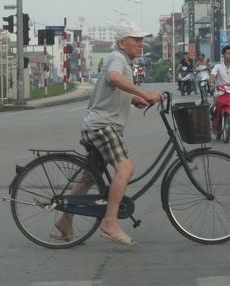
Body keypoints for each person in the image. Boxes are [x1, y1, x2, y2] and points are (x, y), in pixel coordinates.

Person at [54, 23, 163, 247]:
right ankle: (110, 222)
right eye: (136, 40)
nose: (141, 44)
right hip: (102, 126)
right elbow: (114, 78)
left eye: (142, 41)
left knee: (89, 178)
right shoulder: (118, 58)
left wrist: (136, 99)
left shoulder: (125, 62)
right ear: (122, 43)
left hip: (98, 124)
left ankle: (65, 221)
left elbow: (114, 90)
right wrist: (144, 93)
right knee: (126, 169)